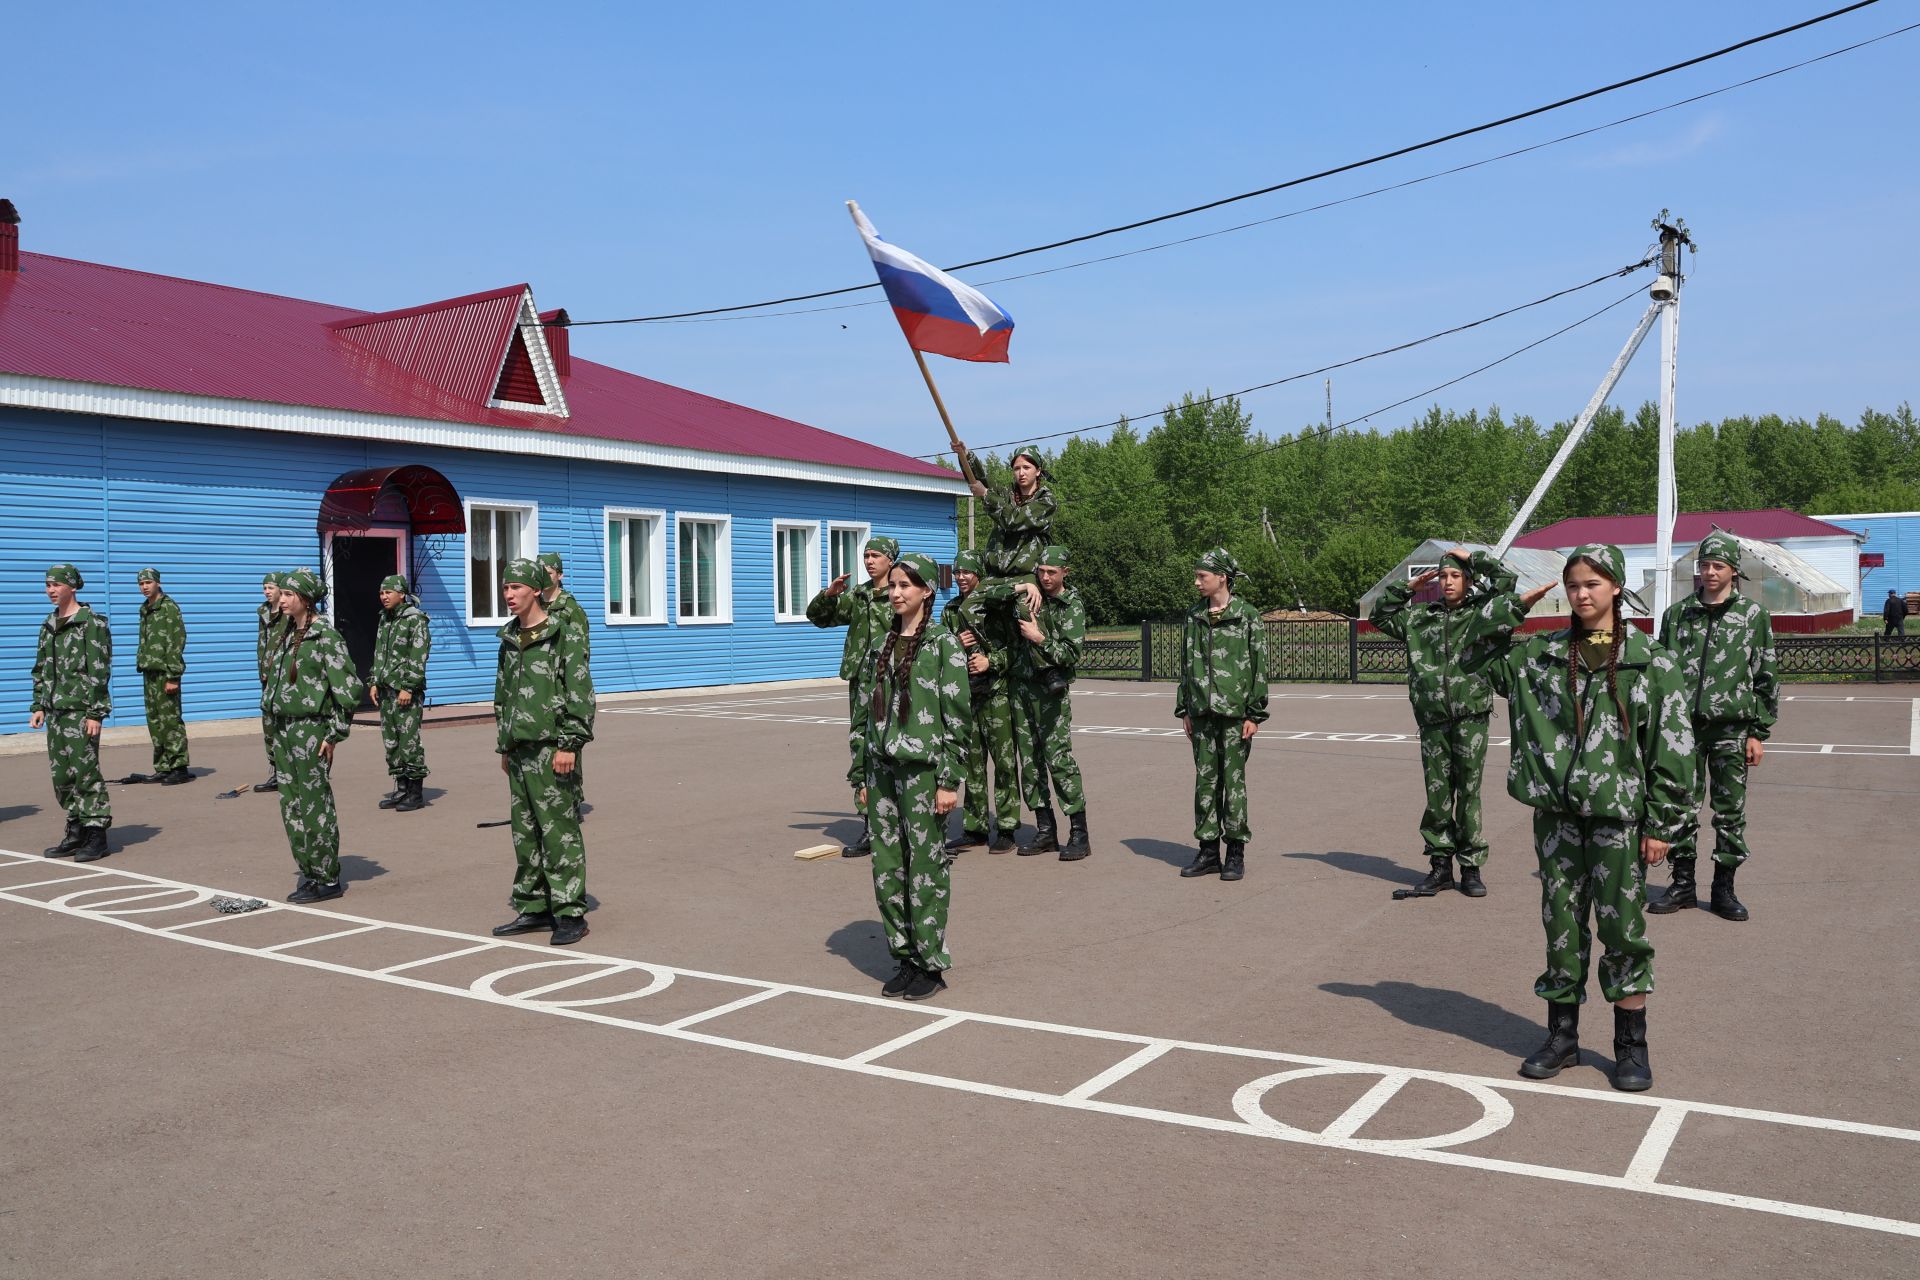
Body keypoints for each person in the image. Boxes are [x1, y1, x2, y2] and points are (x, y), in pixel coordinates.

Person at [1461, 544, 1695, 1092]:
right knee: (1561, 928)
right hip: (1558, 820)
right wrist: (1501, 589)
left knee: (1623, 931)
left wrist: (1663, 824)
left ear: (1616, 587)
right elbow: (1473, 649)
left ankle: (1630, 1046)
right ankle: (1562, 1037)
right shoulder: (1541, 654)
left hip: (1620, 820)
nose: (1581, 594)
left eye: (1592, 583)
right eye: (1573, 584)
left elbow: (1674, 746)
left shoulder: (1651, 660)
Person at [851, 552, 969, 1001]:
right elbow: (863, 714)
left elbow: (958, 717)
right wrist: (859, 774)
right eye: (893, 585)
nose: (896, 593)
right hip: (881, 769)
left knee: (925, 866)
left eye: (906, 586)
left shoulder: (943, 644)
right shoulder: (883, 642)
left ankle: (929, 963)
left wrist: (949, 780)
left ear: (926, 592)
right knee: (886, 866)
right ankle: (902, 956)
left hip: (923, 772)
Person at [1368, 548, 1517, 900]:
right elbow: (1379, 615)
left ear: (1467, 580)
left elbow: (1507, 585)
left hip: (1470, 716)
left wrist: (1474, 557)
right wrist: (1407, 588)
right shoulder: (1420, 617)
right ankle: (1439, 867)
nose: (1447, 582)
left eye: (1454, 576)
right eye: (1442, 576)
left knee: (1468, 793)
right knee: (1437, 796)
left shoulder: (1482, 613)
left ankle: (1470, 868)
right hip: (1433, 718)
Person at [1651, 530, 1779, 922]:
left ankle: (1724, 889)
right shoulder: (1677, 615)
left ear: (1733, 571)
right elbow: (1661, 672)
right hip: (1682, 731)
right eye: (1704, 565)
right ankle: (1684, 884)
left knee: (1729, 812)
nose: (1709, 572)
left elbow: (1766, 675)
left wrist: (1758, 731)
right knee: (1680, 807)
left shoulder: (1752, 616)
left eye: (1717, 566)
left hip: (1731, 729)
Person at [491, 558, 595, 946]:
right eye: (505, 588)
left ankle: (570, 912)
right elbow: (503, 696)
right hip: (519, 749)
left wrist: (570, 743)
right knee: (525, 832)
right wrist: (505, 743)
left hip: (553, 748)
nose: (508, 595)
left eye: (515, 588)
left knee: (559, 832)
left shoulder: (562, 633)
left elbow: (579, 692)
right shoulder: (508, 637)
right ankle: (533, 906)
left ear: (535, 589)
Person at [981, 545, 1090, 860]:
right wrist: (1021, 585)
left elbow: (1071, 653)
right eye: (1040, 572)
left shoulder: (1071, 606)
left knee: (1059, 761)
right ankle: (1046, 832)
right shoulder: (1027, 594)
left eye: (1051, 573)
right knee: (1029, 763)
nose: (1044, 577)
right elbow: (985, 595)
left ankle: (1079, 833)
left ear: (1065, 573)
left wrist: (1039, 637)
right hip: (1021, 689)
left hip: (1050, 694)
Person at [262, 568, 363, 903]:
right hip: (283, 729)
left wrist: (333, 734)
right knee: (290, 805)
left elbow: (347, 689)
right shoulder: (285, 633)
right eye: (283, 594)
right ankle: (309, 871)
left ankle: (327, 878)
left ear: (305, 598)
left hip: (310, 730)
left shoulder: (325, 637)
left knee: (313, 805)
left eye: (289, 594)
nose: (282, 599)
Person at [1174, 548, 1269, 882]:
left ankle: (1235, 853)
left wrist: (1254, 714)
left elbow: (1259, 667)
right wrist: (1184, 708)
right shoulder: (1194, 615)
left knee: (1233, 784)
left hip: (1234, 714)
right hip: (1200, 711)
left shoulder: (1247, 615)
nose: (1197, 582)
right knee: (1205, 782)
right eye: (1197, 575)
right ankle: (1208, 851)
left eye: (1203, 576)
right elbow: (1186, 664)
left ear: (1222, 578)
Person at [806, 534, 898, 857]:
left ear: (890, 559)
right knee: (861, 748)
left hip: (892, 681)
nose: (869, 561)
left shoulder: (900, 595)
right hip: (862, 682)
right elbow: (817, 618)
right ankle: (869, 826)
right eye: (866, 555)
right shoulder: (858, 597)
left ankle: (903, 825)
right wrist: (828, 596)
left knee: (894, 747)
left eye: (876, 555)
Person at [29, 564, 113, 863]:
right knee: (62, 775)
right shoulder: (49, 624)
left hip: (81, 711)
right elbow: (40, 668)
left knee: (85, 772)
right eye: (47, 585)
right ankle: (76, 828)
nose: (51, 590)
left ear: (72, 587)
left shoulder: (90, 622)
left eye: (56, 585)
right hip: (55, 711)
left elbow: (99, 670)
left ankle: (96, 834)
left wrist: (95, 712)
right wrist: (38, 704)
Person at [940, 548, 1020, 854]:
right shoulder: (950, 610)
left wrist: (991, 660)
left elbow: (1016, 647)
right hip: (965, 695)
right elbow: (940, 650)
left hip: (996, 694)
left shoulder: (993, 606)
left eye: (967, 572)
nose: (961, 578)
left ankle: (1008, 828)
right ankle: (974, 828)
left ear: (979, 575)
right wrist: (956, 645)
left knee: (1004, 763)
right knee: (971, 763)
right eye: (957, 572)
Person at [369, 574, 432, 813]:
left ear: (401, 594)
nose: (384, 597)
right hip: (386, 690)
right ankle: (402, 787)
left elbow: (419, 655)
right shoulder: (385, 618)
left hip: (405, 691)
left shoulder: (415, 619)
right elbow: (378, 653)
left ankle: (415, 793)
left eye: (389, 592)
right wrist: (374, 681)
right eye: (382, 593)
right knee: (392, 741)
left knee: (409, 741)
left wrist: (409, 686)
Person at [538, 551, 590, 810]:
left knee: (568, 743)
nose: (544, 578)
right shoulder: (536, 605)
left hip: (563, 684)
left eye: (549, 573)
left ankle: (572, 799)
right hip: (540, 686)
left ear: (559, 575)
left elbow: (580, 652)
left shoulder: (570, 608)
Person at [133, 567, 191, 785]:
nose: (144, 587)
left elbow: (177, 641)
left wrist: (173, 675)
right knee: (155, 721)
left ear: (157, 583)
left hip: (166, 671)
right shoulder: (145, 608)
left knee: (170, 720)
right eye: (141, 584)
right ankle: (163, 766)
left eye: (148, 582)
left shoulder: (168, 608)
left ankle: (179, 767)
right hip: (149, 670)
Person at [252, 573, 289, 792]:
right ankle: (276, 770)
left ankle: (289, 770)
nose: (266, 591)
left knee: (284, 724)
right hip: (266, 679)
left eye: (270, 587)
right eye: (264, 588)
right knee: (269, 725)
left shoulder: (289, 615)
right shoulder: (263, 613)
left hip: (284, 679)